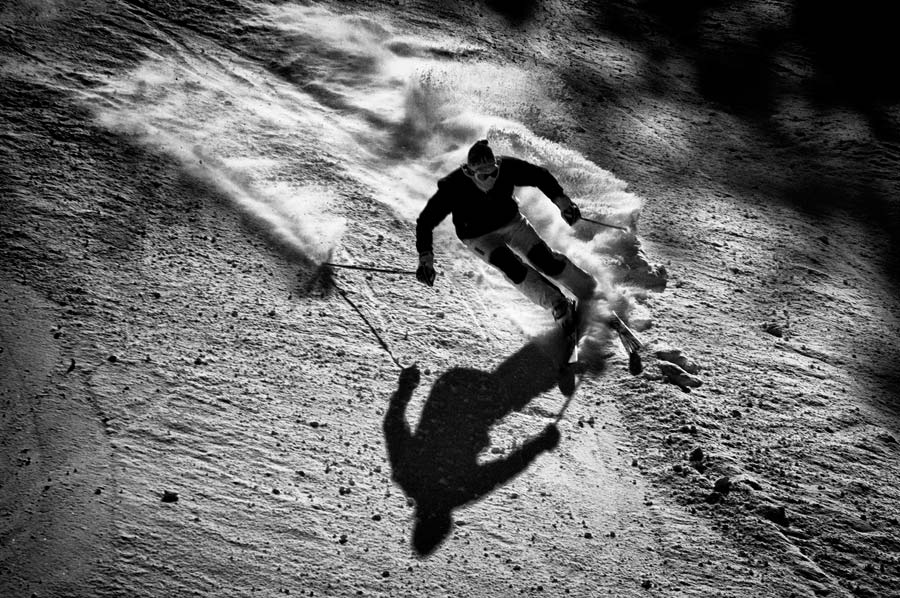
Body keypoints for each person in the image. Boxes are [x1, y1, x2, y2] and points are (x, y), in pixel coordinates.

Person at [415, 139, 595, 334]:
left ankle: (588, 289)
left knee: (544, 259)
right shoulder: (453, 186)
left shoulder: (507, 167)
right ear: (469, 172)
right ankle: (558, 304)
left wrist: (562, 202)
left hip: (510, 222)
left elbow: (539, 176)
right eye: (483, 176)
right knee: (512, 267)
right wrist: (426, 258)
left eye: (493, 173)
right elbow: (426, 221)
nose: (490, 179)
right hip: (477, 236)